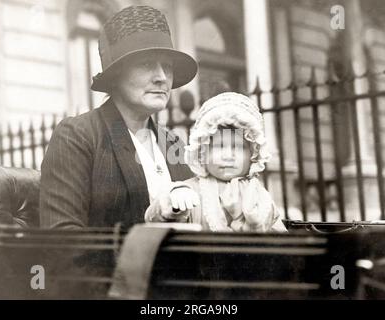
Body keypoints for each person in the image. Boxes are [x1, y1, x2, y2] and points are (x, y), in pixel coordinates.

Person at [39, 5, 198, 230]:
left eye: (168, 66)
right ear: (116, 74)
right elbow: (63, 240)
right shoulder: (78, 136)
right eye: (146, 64)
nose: (162, 77)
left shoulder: (174, 146)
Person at [145, 92, 287, 232]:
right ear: (202, 152)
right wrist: (173, 203)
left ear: (253, 153)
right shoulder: (191, 191)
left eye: (238, 147)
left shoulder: (261, 196)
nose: (227, 156)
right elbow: (154, 221)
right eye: (218, 147)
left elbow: (281, 238)